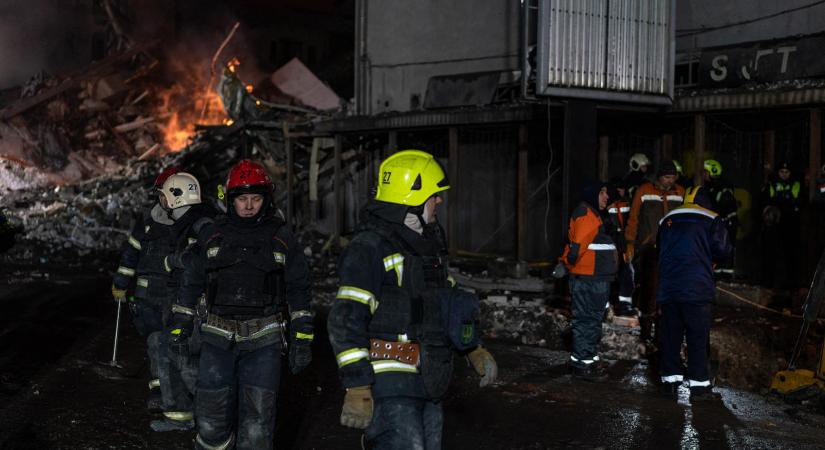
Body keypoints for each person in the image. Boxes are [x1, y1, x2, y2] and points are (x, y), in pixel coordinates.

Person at [328, 149, 497, 449]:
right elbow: (345, 319)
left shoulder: (427, 247)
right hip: (388, 380)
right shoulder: (369, 248)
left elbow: (444, 301)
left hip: (427, 376)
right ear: (412, 200)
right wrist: (357, 385)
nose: (439, 201)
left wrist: (472, 347)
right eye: (434, 195)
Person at [174, 160, 314, 449]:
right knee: (211, 423)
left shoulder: (282, 238)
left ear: (266, 200)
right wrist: (181, 326)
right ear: (230, 200)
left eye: (256, 198)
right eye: (242, 199)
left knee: (257, 427)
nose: (249, 205)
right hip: (216, 340)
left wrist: (302, 339)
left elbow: (299, 289)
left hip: (264, 343)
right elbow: (191, 283)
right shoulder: (212, 235)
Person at [150, 172, 217, 432]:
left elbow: (204, 261)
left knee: (183, 356)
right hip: (187, 304)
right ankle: (181, 416)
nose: (161, 201)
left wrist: (176, 261)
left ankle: (211, 421)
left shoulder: (202, 225)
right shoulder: (190, 223)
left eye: (164, 196)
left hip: (199, 310)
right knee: (165, 345)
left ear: (175, 198)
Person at [111, 166, 179, 413]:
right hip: (148, 296)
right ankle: (159, 391)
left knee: (175, 343)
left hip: (177, 295)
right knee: (155, 342)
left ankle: (179, 393)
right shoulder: (148, 221)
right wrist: (121, 283)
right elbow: (131, 253)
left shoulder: (192, 223)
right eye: (164, 193)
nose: (168, 199)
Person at [656, 186, 732, 401]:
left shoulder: (667, 218)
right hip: (696, 289)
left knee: (671, 335)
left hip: (669, 287)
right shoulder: (712, 218)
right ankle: (699, 388)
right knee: (697, 337)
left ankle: (669, 384)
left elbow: (659, 248)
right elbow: (723, 250)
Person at [560, 181, 618, 380]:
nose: (606, 196)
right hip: (588, 278)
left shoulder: (594, 214)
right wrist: (567, 264)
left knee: (591, 320)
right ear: (593, 194)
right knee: (587, 320)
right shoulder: (586, 214)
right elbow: (577, 248)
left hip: (595, 277)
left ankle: (587, 359)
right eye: (602, 192)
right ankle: (582, 364)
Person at [624, 161, 685, 342]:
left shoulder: (680, 192)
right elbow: (633, 218)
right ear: (659, 177)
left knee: (669, 290)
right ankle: (645, 329)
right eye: (667, 177)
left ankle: (663, 330)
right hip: (649, 248)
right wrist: (630, 242)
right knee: (649, 290)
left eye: (673, 177)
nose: (670, 181)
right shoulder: (644, 191)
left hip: (672, 249)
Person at [760, 162, 804, 289]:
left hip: (791, 225)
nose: (784, 174)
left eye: (787, 172)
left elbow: (800, 202)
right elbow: (765, 200)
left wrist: (785, 204)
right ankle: (768, 284)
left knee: (790, 255)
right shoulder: (772, 183)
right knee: (770, 254)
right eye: (781, 172)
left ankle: (791, 285)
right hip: (774, 226)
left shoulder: (796, 184)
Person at [605, 177, 636, 317]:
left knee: (627, 271)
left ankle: (625, 304)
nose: (620, 192)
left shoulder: (628, 203)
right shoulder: (606, 204)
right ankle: (605, 305)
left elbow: (633, 220)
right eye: (617, 189)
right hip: (610, 243)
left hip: (624, 242)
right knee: (607, 273)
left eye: (622, 189)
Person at [702, 159, 738, 276]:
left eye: (705, 172)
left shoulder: (722, 188)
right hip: (718, 225)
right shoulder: (709, 187)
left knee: (724, 251)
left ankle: (725, 278)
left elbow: (726, 208)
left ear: (712, 172)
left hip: (726, 225)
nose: (703, 175)